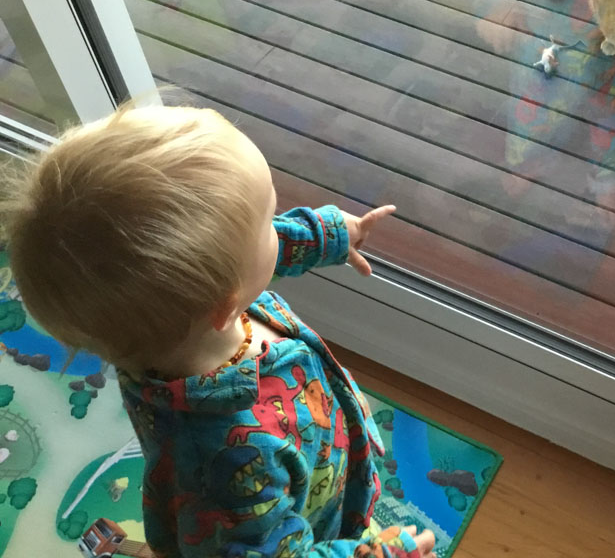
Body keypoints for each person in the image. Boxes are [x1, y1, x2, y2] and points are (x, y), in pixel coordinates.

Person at [1, 103, 435, 558]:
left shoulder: (180, 319)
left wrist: (323, 235)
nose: (277, 226)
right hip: (303, 525)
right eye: (270, 219)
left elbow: (244, 253)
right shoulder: (235, 464)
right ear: (225, 301)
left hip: (309, 462)